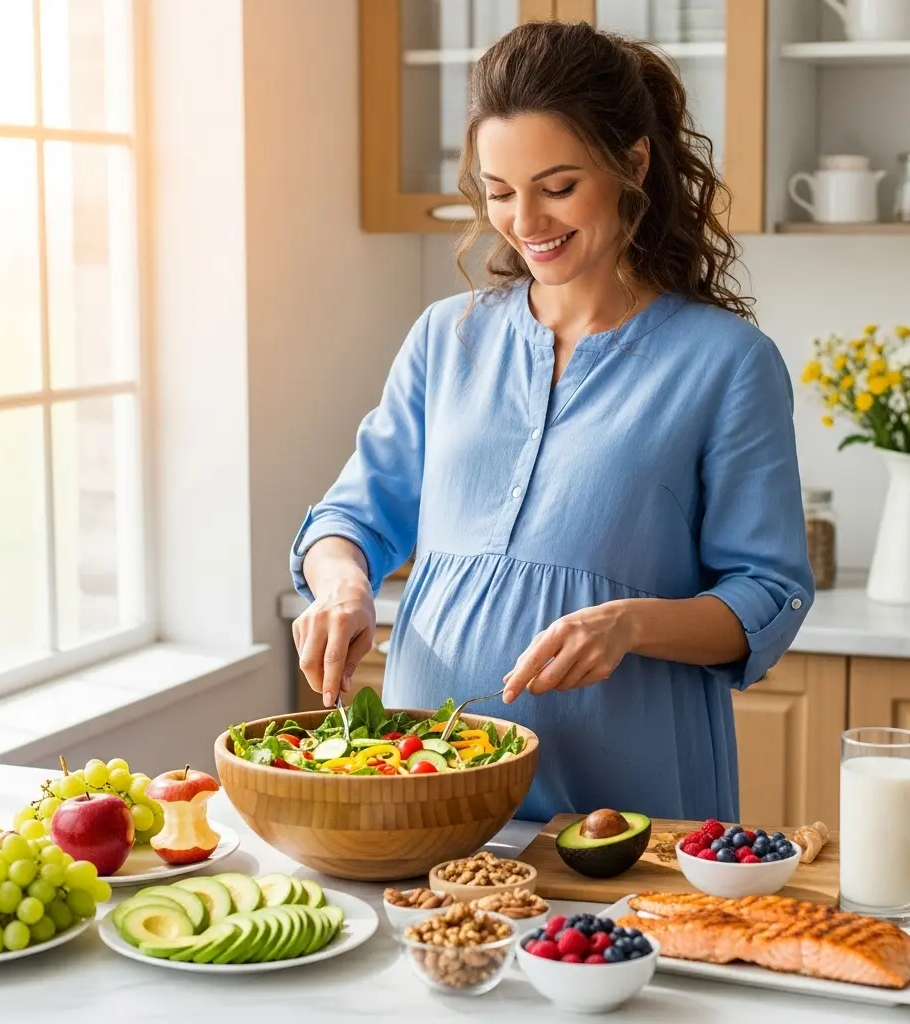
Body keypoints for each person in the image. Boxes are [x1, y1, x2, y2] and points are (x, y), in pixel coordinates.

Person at [290, 20, 813, 823]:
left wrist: (630, 623)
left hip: (625, 814)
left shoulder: (727, 362)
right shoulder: (446, 336)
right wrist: (344, 587)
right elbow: (350, 520)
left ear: (632, 163)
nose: (525, 220)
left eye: (557, 186)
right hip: (427, 803)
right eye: (499, 192)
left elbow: (767, 595)